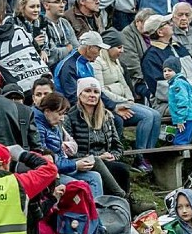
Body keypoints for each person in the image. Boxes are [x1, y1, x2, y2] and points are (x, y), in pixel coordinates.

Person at [63, 78, 149, 213]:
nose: (92, 95)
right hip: (83, 161)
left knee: (120, 169)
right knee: (112, 167)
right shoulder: (70, 118)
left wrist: (113, 155)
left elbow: (118, 146)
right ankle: (125, 201)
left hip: (105, 160)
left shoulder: (107, 116)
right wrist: (98, 157)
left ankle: (120, 209)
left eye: (96, 92)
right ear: (80, 94)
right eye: (87, 91)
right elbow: (69, 151)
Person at [139, 13, 192, 140]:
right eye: (167, 24)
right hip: (171, 103)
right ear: (160, 32)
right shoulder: (150, 57)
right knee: (190, 113)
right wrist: (191, 95)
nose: (171, 24)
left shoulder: (178, 47)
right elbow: (161, 90)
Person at [93, 28, 162, 158]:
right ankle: (140, 156)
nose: (122, 51)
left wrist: (130, 99)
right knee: (147, 116)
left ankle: (150, 154)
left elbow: (124, 84)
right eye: (118, 47)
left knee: (156, 115)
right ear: (108, 47)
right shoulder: (98, 63)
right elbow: (101, 90)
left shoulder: (116, 62)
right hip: (113, 104)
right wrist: (122, 101)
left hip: (125, 102)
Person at [33, 93, 104, 196]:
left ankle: (98, 209)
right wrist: (75, 165)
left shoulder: (52, 123)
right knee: (80, 185)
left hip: (61, 166)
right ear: (47, 111)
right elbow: (46, 159)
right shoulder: (38, 127)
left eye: (63, 114)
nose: (62, 118)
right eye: (60, 114)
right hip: (50, 172)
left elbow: (60, 154)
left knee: (95, 177)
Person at [165, 56, 192, 145]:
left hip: (187, 118)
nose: (166, 73)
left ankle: (184, 158)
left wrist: (180, 119)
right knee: (184, 139)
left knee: (180, 142)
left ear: (176, 70)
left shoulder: (178, 83)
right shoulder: (175, 83)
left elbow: (183, 102)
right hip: (187, 117)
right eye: (164, 71)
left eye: (170, 70)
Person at [40, 0, 80, 68]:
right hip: (51, 69)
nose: (62, 5)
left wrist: (64, 50)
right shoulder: (41, 24)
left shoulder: (65, 23)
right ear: (46, 5)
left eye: (63, 1)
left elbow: (76, 48)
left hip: (69, 66)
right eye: (57, 2)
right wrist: (68, 48)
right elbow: (51, 56)